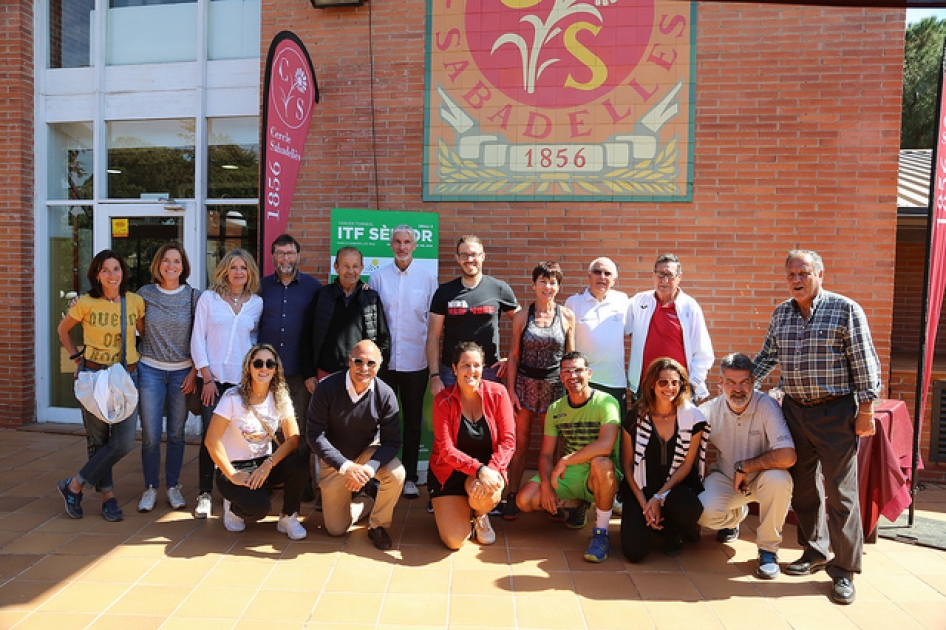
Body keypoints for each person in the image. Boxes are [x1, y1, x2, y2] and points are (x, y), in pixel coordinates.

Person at [754, 249, 881, 605]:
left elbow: (864, 361)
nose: (797, 280)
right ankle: (815, 551)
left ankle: (844, 571)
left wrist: (866, 409)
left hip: (836, 412)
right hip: (795, 410)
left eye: (804, 273)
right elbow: (767, 357)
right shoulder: (782, 313)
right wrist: (744, 383)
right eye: (791, 274)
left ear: (820, 274)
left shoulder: (845, 309)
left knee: (841, 494)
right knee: (805, 489)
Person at [56, 250, 145, 522]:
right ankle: (108, 498)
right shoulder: (85, 303)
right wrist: (75, 358)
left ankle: (75, 485)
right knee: (99, 441)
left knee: (124, 442)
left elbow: (143, 331)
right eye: (105, 270)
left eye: (116, 269)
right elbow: (63, 330)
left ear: (123, 272)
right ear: (97, 274)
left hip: (126, 377)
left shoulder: (135, 302)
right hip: (95, 376)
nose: (111, 275)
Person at [698, 353, 796, 579]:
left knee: (780, 480)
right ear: (719, 384)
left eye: (744, 382)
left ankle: (768, 551)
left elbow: (788, 455)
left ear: (753, 382)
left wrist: (746, 466)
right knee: (701, 511)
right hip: (727, 478)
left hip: (763, 478)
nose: (738, 389)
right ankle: (735, 518)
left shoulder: (768, 406)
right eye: (731, 382)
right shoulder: (709, 410)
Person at [516, 352, 621, 563]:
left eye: (578, 370)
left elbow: (605, 445)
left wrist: (565, 460)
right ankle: (578, 503)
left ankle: (601, 534)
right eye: (566, 371)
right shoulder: (556, 409)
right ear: (561, 377)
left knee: (601, 462)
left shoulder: (606, 402)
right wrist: (546, 485)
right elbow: (546, 453)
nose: (573, 376)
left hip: (601, 472)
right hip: (571, 473)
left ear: (589, 374)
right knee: (525, 500)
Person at [307, 340, 406, 550]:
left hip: (365, 454)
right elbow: (315, 435)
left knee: (397, 474)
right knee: (336, 529)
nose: (364, 368)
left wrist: (368, 470)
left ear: (378, 367)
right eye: (358, 361)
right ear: (349, 362)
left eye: (371, 363)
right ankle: (365, 500)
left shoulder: (385, 394)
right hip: (335, 460)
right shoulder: (326, 388)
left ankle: (377, 525)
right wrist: (346, 467)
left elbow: (392, 441)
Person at [204, 344, 309, 540]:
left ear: (276, 369)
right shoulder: (232, 397)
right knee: (259, 509)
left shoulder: (280, 397)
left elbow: (293, 439)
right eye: (258, 363)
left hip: (263, 463)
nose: (264, 368)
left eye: (270, 364)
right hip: (235, 467)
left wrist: (268, 465)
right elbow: (212, 440)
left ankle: (289, 517)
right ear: (248, 367)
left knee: (299, 460)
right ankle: (233, 507)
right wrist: (232, 474)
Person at [191, 248, 263, 519]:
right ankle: (204, 493)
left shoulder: (256, 303)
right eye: (233, 267)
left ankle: (232, 493)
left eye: (243, 268)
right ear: (224, 270)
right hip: (213, 382)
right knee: (211, 439)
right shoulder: (209, 299)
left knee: (237, 440)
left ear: (250, 273)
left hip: (241, 384)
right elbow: (198, 338)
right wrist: (206, 377)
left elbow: (254, 343)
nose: (238, 272)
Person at [369, 225, 438, 500]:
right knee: (381, 421)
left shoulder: (428, 278)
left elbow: (433, 323)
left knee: (411, 422)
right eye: (397, 241)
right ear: (390, 245)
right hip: (383, 363)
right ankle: (381, 475)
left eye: (407, 241)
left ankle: (409, 477)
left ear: (414, 245)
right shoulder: (378, 278)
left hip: (416, 361)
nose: (402, 246)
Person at [502, 262, 575, 520]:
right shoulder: (523, 316)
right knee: (520, 445)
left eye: (553, 282)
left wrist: (571, 393)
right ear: (534, 285)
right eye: (543, 281)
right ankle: (511, 495)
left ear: (558, 286)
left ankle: (551, 494)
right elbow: (513, 356)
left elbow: (570, 358)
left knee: (551, 447)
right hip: (524, 386)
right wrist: (510, 391)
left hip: (555, 389)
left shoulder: (566, 316)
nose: (548, 286)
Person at [430, 342, 516, 549]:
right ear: (454, 368)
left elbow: (508, 440)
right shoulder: (443, 400)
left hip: (487, 470)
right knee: (454, 541)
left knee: (485, 496)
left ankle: (479, 514)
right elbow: (446, 450)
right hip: (450, 473)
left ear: (483, 368)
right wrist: (479, 470)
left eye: (476, 365)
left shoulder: (498, 393)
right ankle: (460, 507)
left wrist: (492, 470)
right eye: (465, 365)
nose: (471, 371)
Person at [620, 358, 706, 562]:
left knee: (689, 507)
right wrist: (645, 504)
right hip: (642, 488)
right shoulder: (635, 418)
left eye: (675, 382)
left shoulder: (693, 418)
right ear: (651, 384)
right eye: (663, 382)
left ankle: (675, 531)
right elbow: (628, 465)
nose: (670, 387)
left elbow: (687, 464)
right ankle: (652, 522)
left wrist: (658, 498)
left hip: (673, 490)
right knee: (634, 553)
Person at [136, 243, 201, 512]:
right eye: (166, 260)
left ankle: (173, 487)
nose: (171, 266)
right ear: (158, 264)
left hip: (182, 374)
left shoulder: (194, 296)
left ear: (183, 266)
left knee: (176, 434)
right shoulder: (145, 294)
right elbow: (135, 325)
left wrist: (195, 372)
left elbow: (201, 337)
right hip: (149, 369)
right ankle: (150, 487)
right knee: (151, 435)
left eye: (176, 261)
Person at [258, 234, 322, 501]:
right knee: (266, 428)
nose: (286, 258)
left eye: (290, 253)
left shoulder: (313, 287)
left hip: (298, 371)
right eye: (280, 253)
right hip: (265, 373)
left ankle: (300, 480)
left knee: (299, 429)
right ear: (273, 257)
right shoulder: (259, 287)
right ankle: (270, 477)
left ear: (298, 256)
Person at [427, 235, 519, 397]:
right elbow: (433, 336)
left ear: (482, 256)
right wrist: (435, 376)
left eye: (474, 254)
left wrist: (510, 358)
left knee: (488, 421)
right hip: (451, 372)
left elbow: (524, 325)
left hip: (489, 372)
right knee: (452, 422)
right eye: (464, 255)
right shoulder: (445, 292)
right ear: (457, 258)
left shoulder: (499, 289)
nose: (469, 259)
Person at [626, 254, 714, 403]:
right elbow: (619, 322)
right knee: (644, 427)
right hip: (646, 388)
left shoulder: (690, 307)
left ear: (679, 278)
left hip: (678, 388)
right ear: (653, 275)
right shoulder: (639, 301)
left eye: (670, 275)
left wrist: (693, 382)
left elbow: (703, 350)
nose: (664, 280)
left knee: (683, 427)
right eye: (660, 274)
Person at [564, 257, 630, 419]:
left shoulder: (622, 301)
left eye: (607, 274)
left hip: (614, 381)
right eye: (597, 272)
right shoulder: (573, 302)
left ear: (614, 280)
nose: (602, 277)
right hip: (583, 380)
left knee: (615, 434)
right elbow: (565, 341)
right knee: (583, 433)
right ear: (589, 276)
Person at [310, 246, 389, 379]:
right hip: (326, 375)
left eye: (355, 266)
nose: (351, 271)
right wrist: (309, 375)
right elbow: (308, 337)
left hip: (361, 376)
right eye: (346, 266)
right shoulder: (322, 296)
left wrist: (374, 371)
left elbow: (383, 339)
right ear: (336, 267)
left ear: (362, 268)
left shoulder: (371, 298)